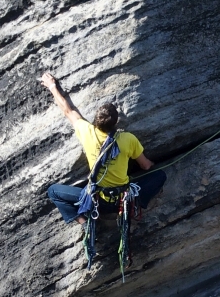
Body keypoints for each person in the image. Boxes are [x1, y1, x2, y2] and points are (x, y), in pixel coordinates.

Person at [40, 72, 167, 227]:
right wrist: (154, 163)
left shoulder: (87, 132)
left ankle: (83, 222)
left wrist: (52, 86)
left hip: (96, 201)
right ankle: (133, 206)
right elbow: (145, 166)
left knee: (53, 191)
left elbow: (68, 111)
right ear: (115, 123)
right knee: (160, 176)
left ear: (96, 120)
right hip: (122, 199)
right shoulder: (127, 139)